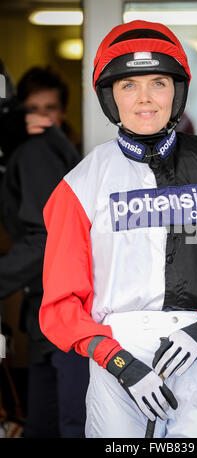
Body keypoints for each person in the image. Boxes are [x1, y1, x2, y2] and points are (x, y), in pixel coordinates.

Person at [39, 20, 197, 438]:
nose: (145, 99)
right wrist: (119, 362)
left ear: (178, 91)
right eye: (129, 85)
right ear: (110, 96)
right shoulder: (79, 186)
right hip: (115, 367)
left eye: (159, 83)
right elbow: (60, 307)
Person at [0, 66, 87, 437]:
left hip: (61, 321)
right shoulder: (48, 152)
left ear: (62, 113)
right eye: (31, 108)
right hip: (59, 320)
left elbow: (47, 238)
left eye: (49, 108)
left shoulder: (37, 151)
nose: (40, 117)